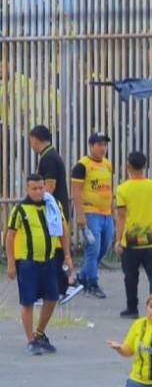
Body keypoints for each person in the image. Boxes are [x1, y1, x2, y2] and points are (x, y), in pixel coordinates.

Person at [6, 174, 72, 355]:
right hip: (28, 263)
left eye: (41, 188)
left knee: (52, 298)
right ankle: (30, 341)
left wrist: (67, 255)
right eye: (34, 188)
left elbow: (63, 230)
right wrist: (11, 263)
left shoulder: (53, 205)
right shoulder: (20, 209)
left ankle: (40, 332)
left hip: (49, 260)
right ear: (27, 189)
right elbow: (10, 236)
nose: (38, 192)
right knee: (27, 301)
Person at [31, 124, 83, 305]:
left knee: (57, 249)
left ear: (35, 139)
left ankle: (62, 289)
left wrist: (36, 203)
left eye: (31, 140)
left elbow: (50, 186)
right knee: (54, 249)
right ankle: (58, 288)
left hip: (54, 212)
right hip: (55, 210)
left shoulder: (49, 158)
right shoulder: (49, 155)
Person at [115, 151, 152, 319]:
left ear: (128, 166)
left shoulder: (123, 189)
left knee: (130, 276)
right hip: (151, 239)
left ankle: (132, 308)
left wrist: (117, 240)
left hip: (131, 240)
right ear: (145, 166)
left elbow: (121, 216)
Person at [72, 131, 115, 298]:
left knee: (105, 246)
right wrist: (80, 214)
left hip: (106, 214)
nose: (103, 148)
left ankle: (82, 276)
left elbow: (108, 187)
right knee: (93, 249)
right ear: (91, 146)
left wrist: (112, 210)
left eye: (105, 144)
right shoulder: (82, 166)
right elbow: (76, 191)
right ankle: (92, 283)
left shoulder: (107, 164)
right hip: (91, 214)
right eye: (99, 144)